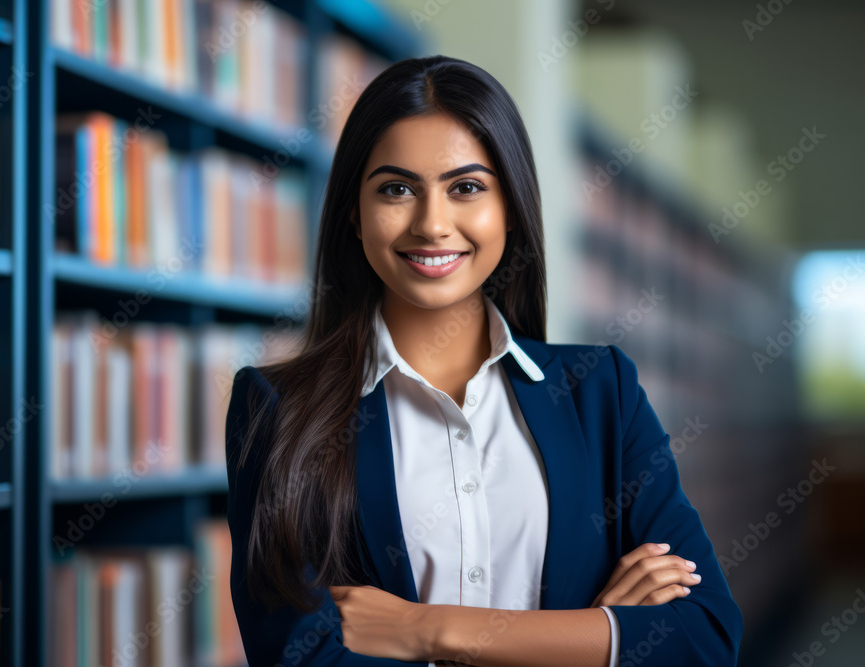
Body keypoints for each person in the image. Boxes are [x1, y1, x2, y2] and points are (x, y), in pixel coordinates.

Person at [225, 54, 743, 666]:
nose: (432, 223)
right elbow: (300, 659)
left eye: (466, 187)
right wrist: (586, 638)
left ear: (510, 210)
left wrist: (429, 630)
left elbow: (705, 637)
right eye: (396, 189)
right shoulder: (280, 408)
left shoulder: (601, 391)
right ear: (354, 218)